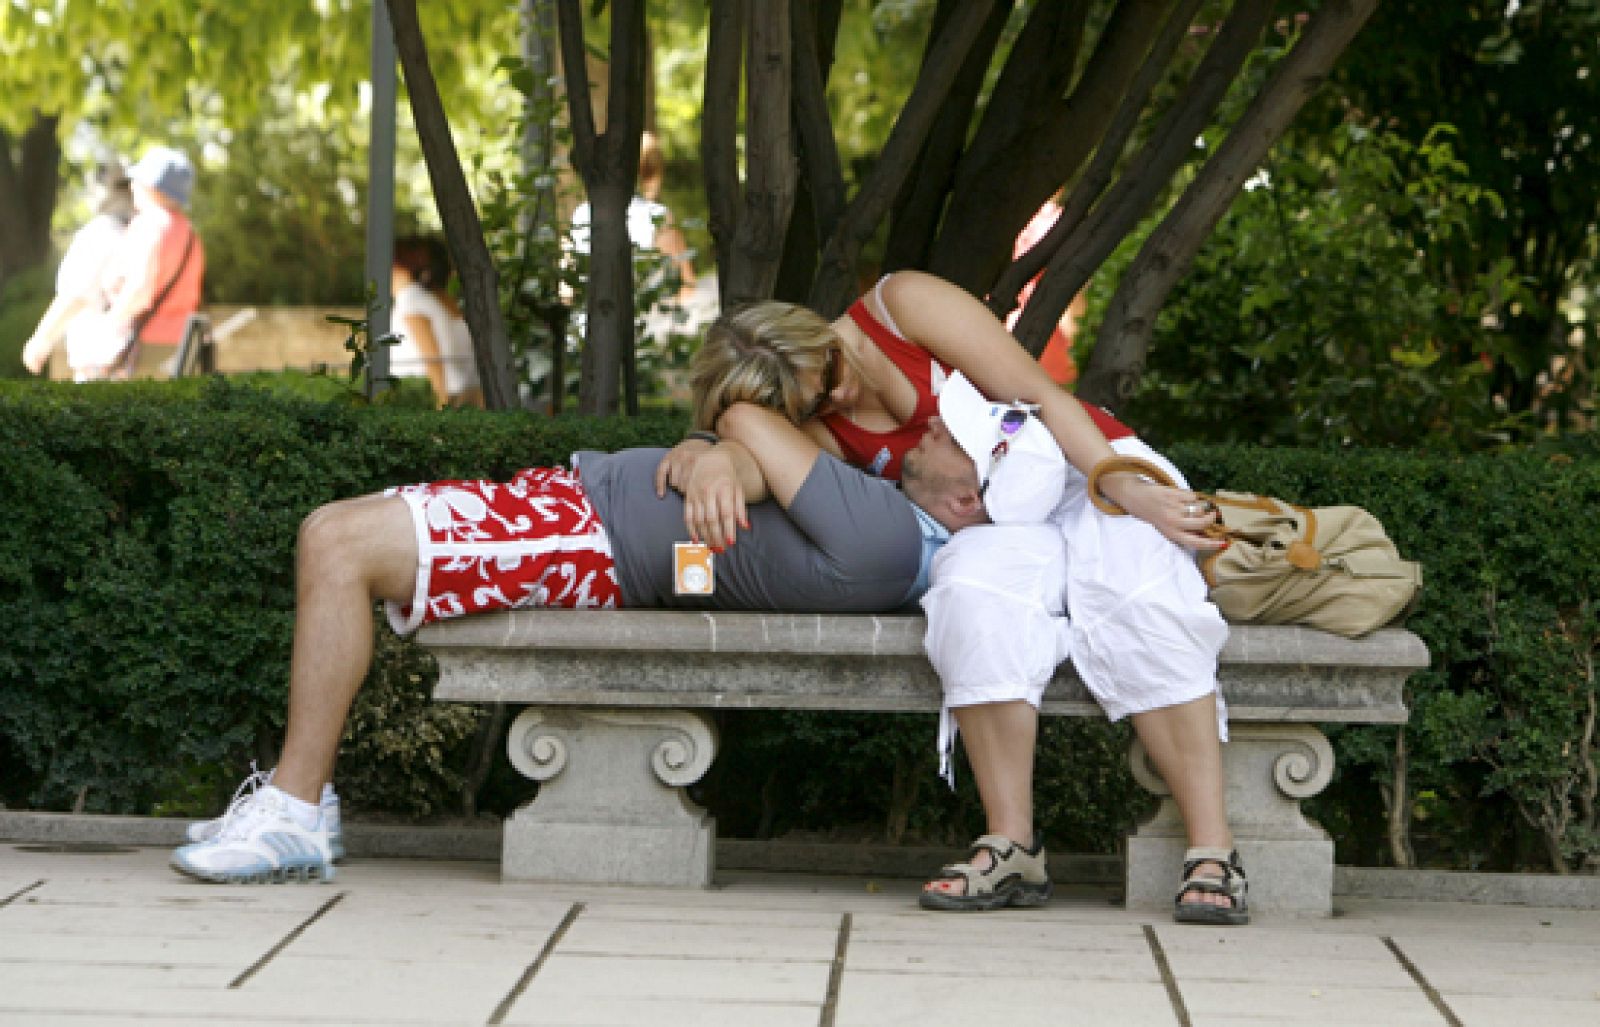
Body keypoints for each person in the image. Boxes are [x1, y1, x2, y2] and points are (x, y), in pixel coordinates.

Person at [170, 388, 1062, 885]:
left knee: (336, 544)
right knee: (329, 532)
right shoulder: (892, 522)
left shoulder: (889, 537)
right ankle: (299, 804)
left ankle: (295, 809)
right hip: (578, 511)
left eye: (958, 437)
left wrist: (726, 445)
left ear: (968, 499)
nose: (933, 422)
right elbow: (745, 439)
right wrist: (720, 454)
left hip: (587, 540)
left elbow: (745, 414)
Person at [659, 271, 1248, 925]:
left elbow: (1040, 395)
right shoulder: (826, 429)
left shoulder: (903, 306)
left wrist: (1130, 490)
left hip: (1091, 468)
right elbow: (757, 461)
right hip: (998, 520)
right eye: (811, 404)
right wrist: (712, 451)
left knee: (1137, 590)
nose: (838, 395)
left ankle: (1213, 850)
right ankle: (1013, 846)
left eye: (830, 370)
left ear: (817, 328)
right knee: (968, 591)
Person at [67, 146, 206, 381]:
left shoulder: (149, 226)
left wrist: (107, 328)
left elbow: (139, 291)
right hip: (181, 345)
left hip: (143, 346)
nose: (132, 186)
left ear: (153, 186)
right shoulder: (191, 235)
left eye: (138, 180)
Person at [21, 160, 136, 379]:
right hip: (135, 358)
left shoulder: (101, 232)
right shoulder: (148, 232)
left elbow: (76, 294)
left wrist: (41, 339)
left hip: (102, 362)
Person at [389, 237, 483, 408]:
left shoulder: (411, 299)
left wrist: (441, 406)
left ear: (400, 265)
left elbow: (432, 358)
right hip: (467, 392)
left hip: (433, 399)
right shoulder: (441, 298)